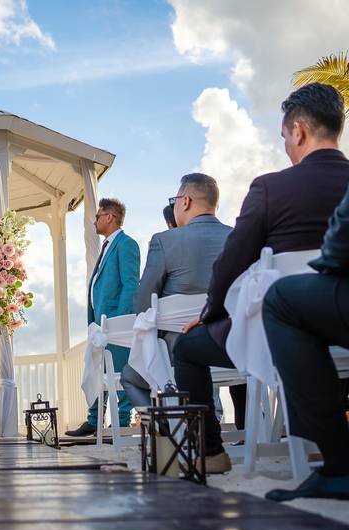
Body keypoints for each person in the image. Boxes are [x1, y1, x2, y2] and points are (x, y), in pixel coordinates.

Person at [174, 82, 349, 474]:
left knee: (186, 348)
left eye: (285, 136)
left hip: (283, 331)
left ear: (299, 131)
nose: (287, 145)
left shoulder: (271, 188)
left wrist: (211, 312)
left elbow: (232, 263)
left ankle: (212, 453)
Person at [263, 184, 349, 501]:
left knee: (281, 301)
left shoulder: (270, 190)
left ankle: (340, 466)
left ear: (297, 132)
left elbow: (341, 241)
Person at [121, 174, 234, 411]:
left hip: (177, 351)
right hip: (233, 347)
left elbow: (143, 303)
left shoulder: (164, 241)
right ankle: (242, 429)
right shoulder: (238, 237)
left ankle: (171, 432)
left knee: (130, 378)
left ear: (185, 201)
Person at [66, 198, 140, 437]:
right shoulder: (107, 246)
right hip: (100, 325)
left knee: (117, 372)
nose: (94, 221)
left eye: (98, 216)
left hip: (115, 325)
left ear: (110, 217)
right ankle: (94, 420)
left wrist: (118, 322)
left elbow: (131, 284)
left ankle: (121, 423)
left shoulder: (126, 244)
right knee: (97, 371)